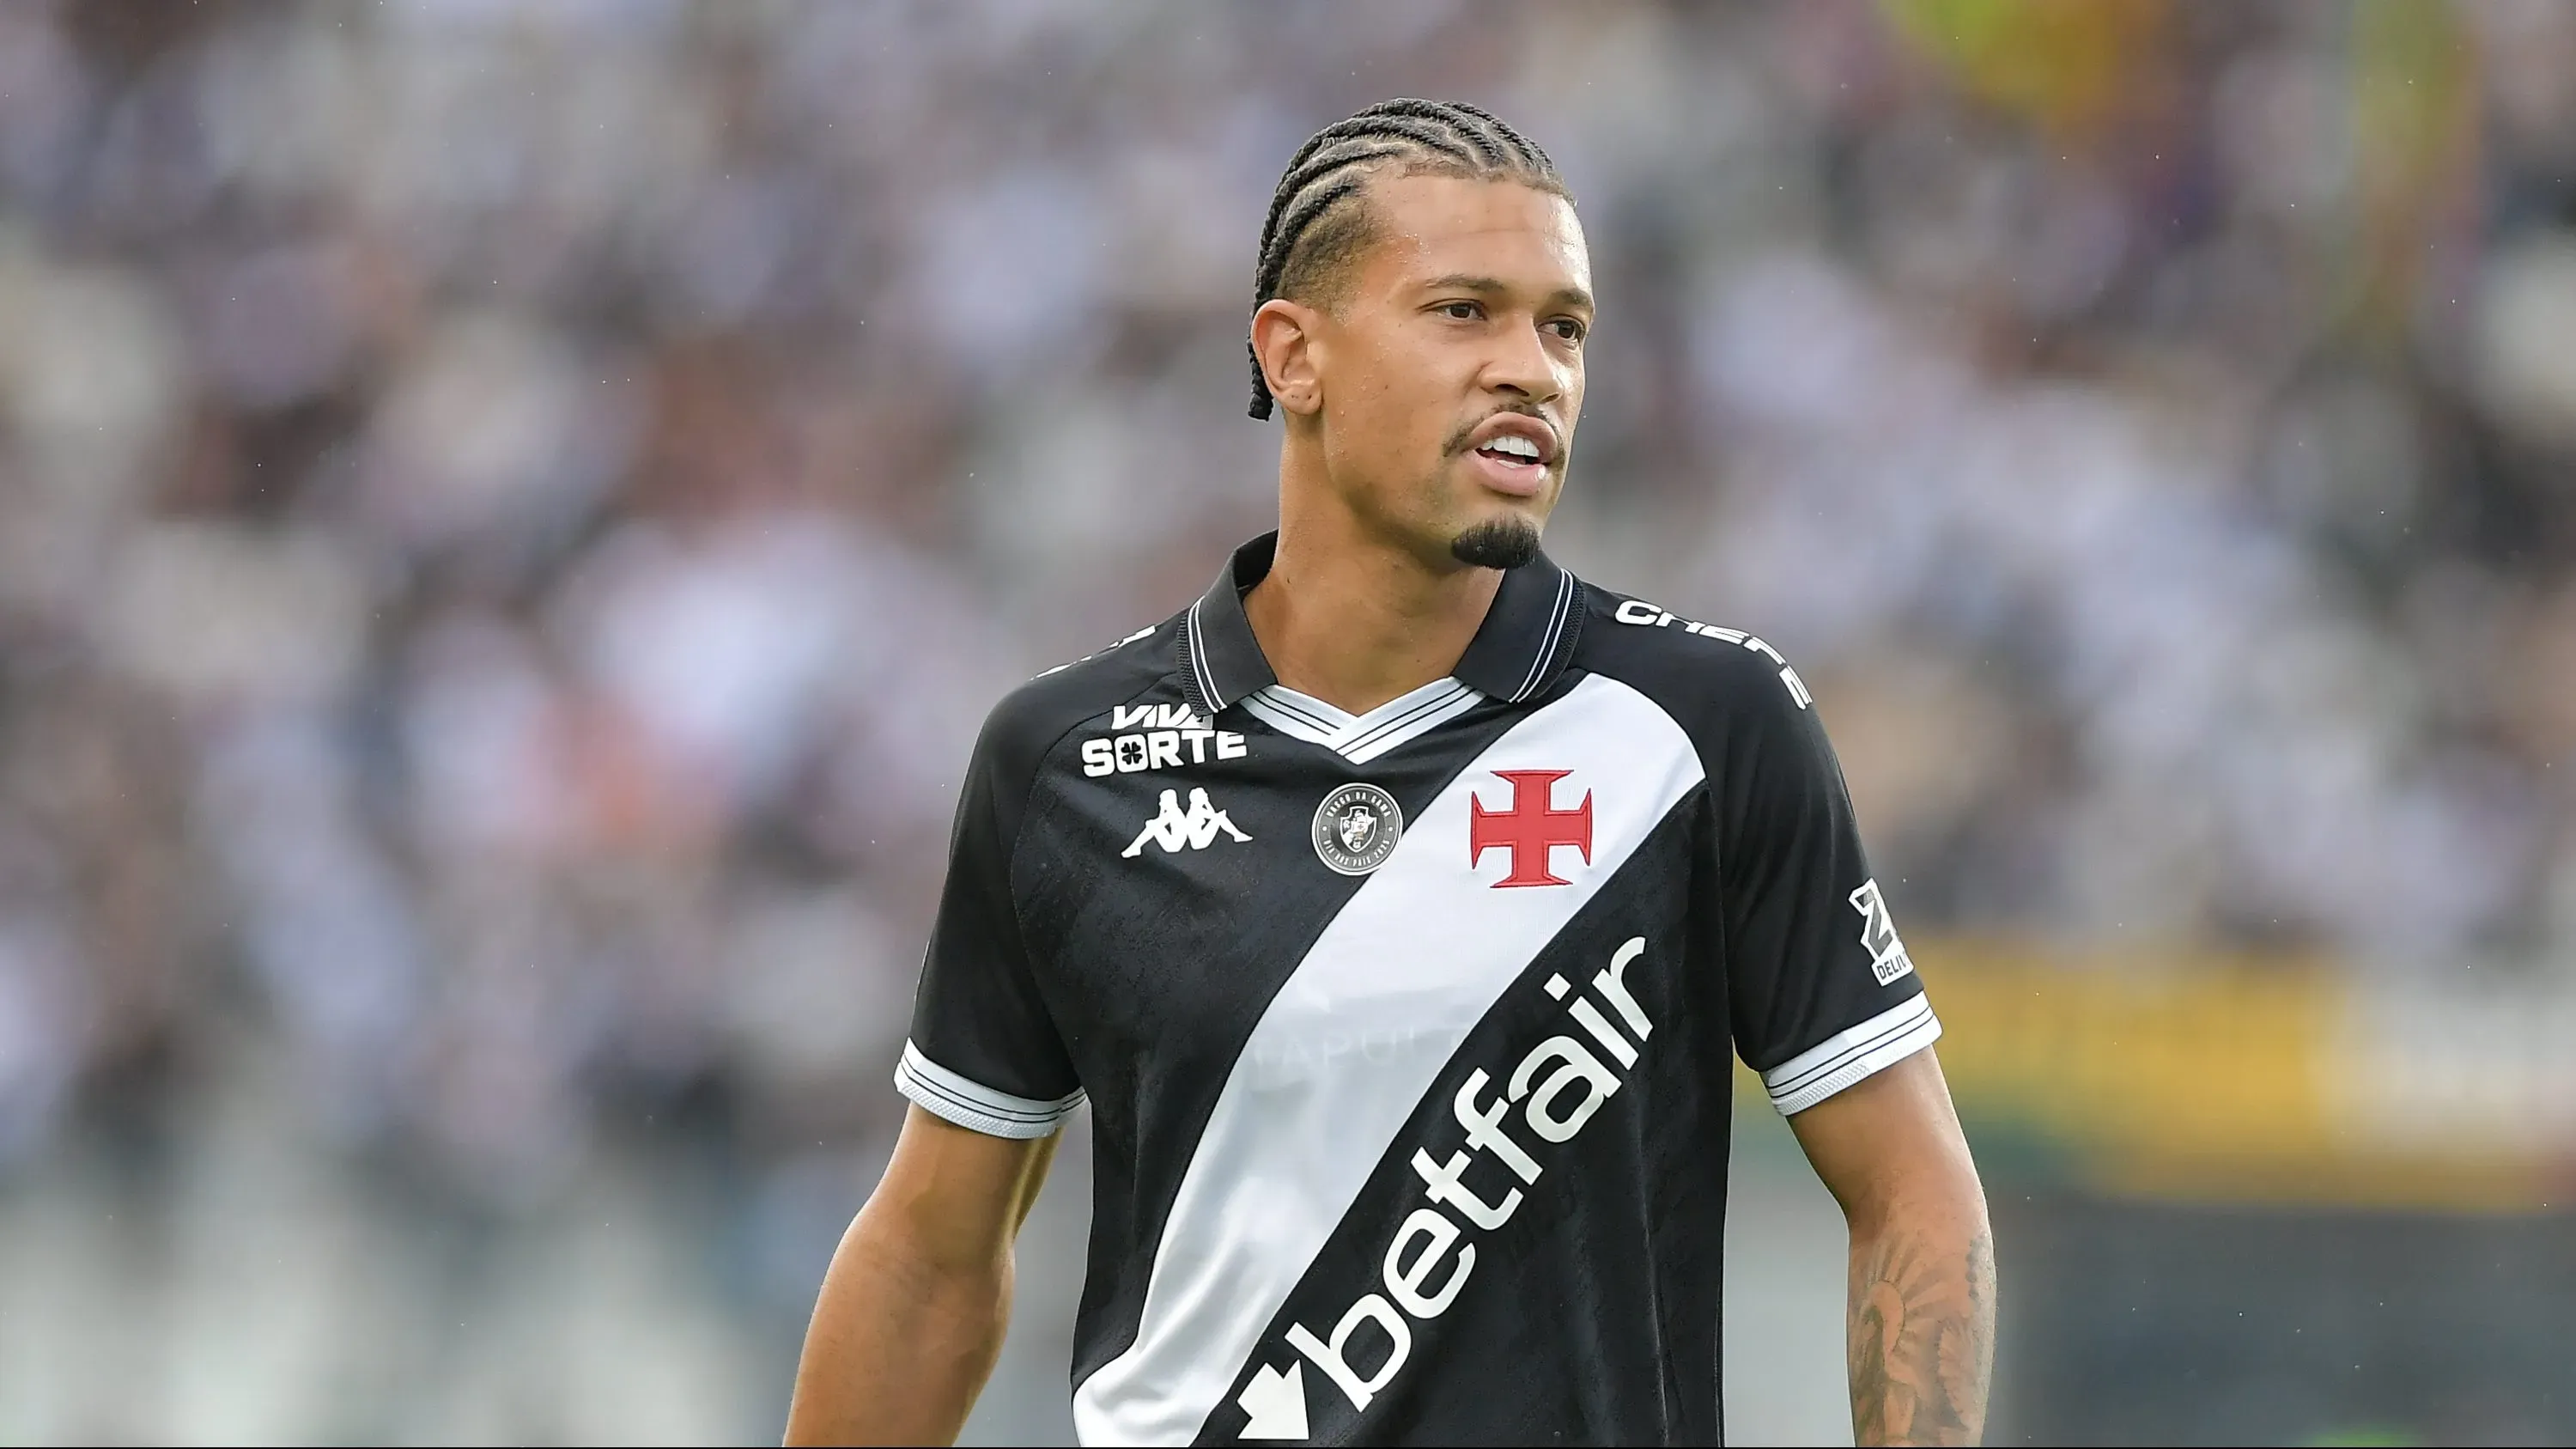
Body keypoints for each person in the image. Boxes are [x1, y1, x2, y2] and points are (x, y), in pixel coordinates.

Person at [786, 98, 1993, 1447]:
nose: (1532, 369)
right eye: (1464, 312)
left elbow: (1915, 1194)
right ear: (1293, 358)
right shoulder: (1062, 762)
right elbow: (930, 1258)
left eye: (1565, 326)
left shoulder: (1704, 725)